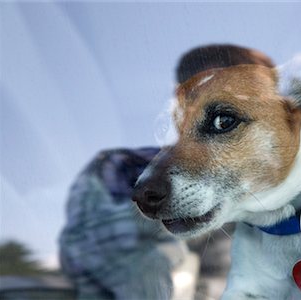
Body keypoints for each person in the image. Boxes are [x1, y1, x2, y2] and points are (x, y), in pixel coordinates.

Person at [58, 44, 274, 300]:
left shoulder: (269, 200)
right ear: (182, 97)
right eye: (224, 118)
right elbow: (134, 270)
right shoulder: (115, 170)